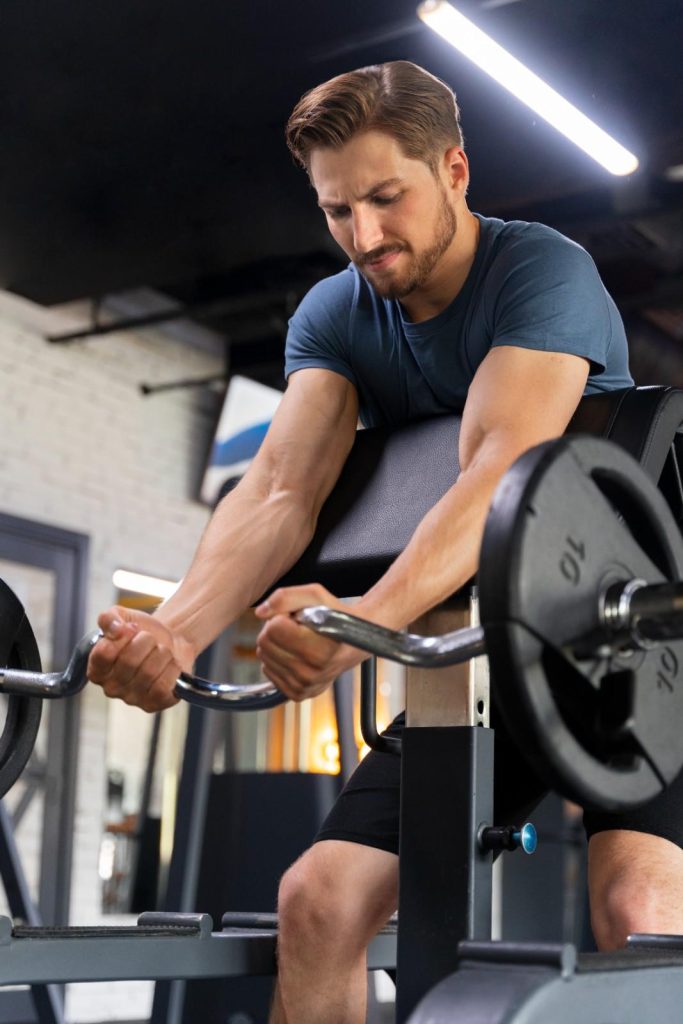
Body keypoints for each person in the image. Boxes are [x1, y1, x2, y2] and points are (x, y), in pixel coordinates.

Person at [88, 61, 683, 1024]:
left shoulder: (539, 270)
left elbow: (499, 472)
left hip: (640, 654)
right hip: (482, 658)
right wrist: (178, 632)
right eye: (335, 211)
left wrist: (361, 622)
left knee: (638, 912)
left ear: (452, 169)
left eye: (384, 198)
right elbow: (282, 487)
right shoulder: (335, 313)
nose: (363, 237)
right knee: (315, 904)